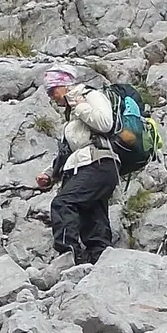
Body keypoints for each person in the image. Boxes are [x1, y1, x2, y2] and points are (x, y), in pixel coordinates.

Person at [33, 68, 119, 266]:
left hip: (98, 163)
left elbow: (105, 123)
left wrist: (79, 105)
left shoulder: (90, 96)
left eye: (52, 91)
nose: (51, 97)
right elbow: (67, 151)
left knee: (63, 203)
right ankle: (98, 262)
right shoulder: (71, 114)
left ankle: (69, 254)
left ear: (63, 86)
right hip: (86, 165)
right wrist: (49, 174)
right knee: (92, 218)